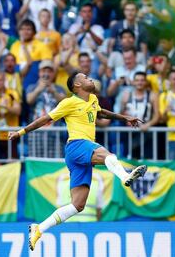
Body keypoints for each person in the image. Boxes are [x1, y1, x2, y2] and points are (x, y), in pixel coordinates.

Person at [9, 72, 147, 251]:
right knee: (108, 156)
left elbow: (101, 113)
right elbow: (45, 119)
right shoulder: (69, 102)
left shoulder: (93, 100)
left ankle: (38, 229)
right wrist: (21, 132)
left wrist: (124, 118)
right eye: (85, 77)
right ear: (77, 85)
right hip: (77, 145)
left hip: (80, 155)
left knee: (77, 205)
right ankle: (125, 176)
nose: (90, 78)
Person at [26, 60, 66, 158]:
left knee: (55, 165)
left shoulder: (59, 88)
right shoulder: (32, 87)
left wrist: (54, 92)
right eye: (44, 71)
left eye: (49, 71)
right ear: (39, 72)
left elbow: (65, 104)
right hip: (36, 134)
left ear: (53, 73)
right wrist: (39, 89)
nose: (46, 74)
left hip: (55, 133)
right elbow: (29, 100)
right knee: (37, 162)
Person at [121, 71, 159, 159]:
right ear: (133, 82)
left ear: (146, 82)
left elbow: (157, 115)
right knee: (131, 161)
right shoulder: (127, 95)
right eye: (137, 80)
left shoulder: (152, 95)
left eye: (142, 80)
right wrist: (125, 118)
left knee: (147, 160)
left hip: (147, 133)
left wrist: (148, 125)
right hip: (130, 133)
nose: (139, 82)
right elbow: (121, 113)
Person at [0, 71, 21, 166]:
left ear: (4, 80)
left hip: (10, 134)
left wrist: (6, 107)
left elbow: (18, 111)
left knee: (12, 164)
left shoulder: (12, 94)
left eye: (0, 80)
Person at [68, 3, 104, 80]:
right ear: (80, 13)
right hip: (76, 57)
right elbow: (67, 42)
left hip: (92, 58)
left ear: (92, 13)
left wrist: (89, 31)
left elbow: (100, 42)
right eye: (84, 11)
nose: (87, 14)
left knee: (94, 73)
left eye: (89, 11)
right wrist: (78, 32)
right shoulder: (74, 27)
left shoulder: (97, 28)